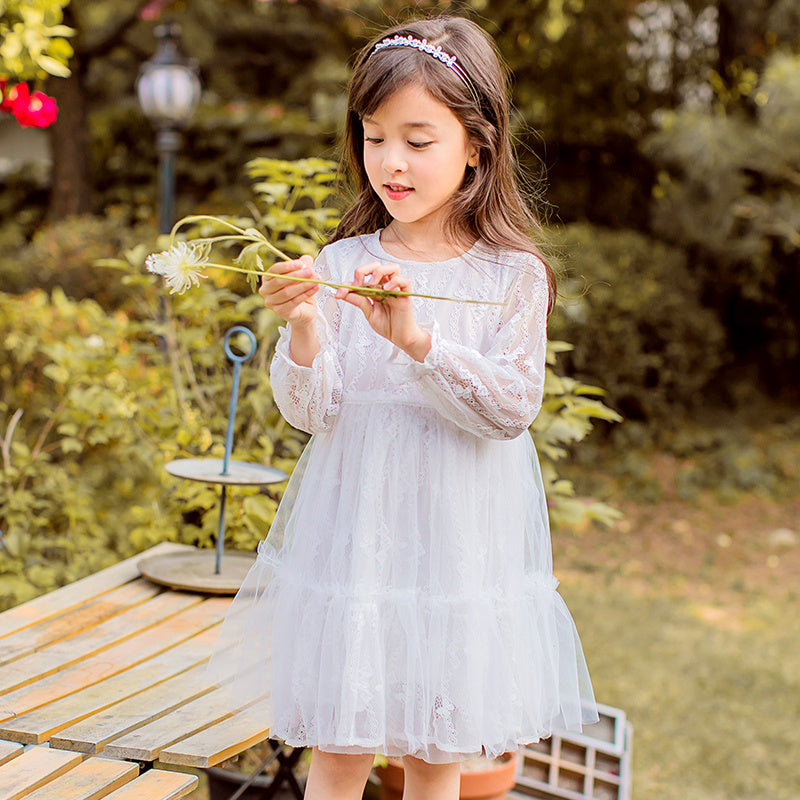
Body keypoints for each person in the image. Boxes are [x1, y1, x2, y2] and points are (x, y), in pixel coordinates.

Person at [213, 14, 598, 800]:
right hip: (359, 543)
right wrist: (307, 326)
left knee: (436, 747)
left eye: (418, 141)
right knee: (342, 744)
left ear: (476, 146)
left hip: (457, 548)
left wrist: (420, 343)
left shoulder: (510, 276)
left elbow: (511, 407)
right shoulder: (344, 263)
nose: (391, 161)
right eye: (374, 136)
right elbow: (312, 413)